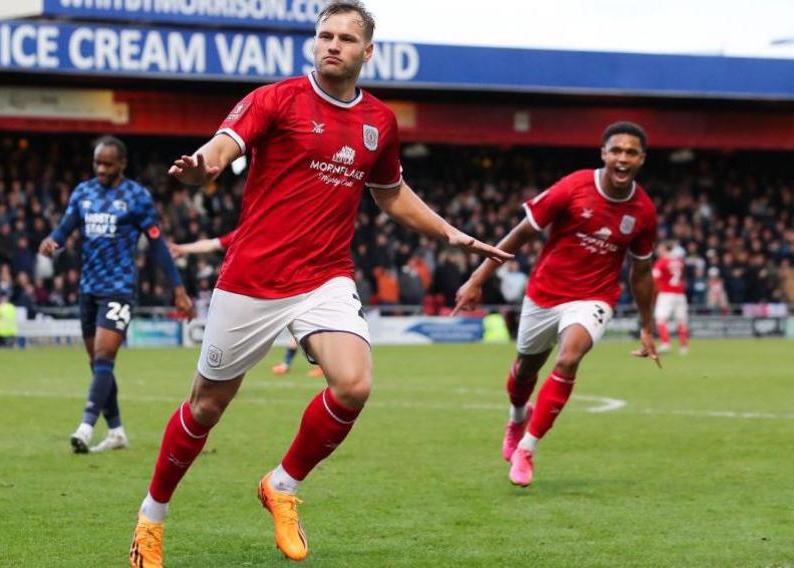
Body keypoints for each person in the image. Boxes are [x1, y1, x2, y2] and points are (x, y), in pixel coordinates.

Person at [127, 3, 511, 566]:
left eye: (345, 38)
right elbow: (222, 147)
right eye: (324, 35)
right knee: (207, 406)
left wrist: (450, 232)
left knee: (354, 385)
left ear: (367, 52)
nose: (332, 45)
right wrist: (203, 168)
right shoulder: (275, 99)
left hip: (324, 275)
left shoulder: (380, 121)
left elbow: (391, 194)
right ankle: (151, 518)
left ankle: (281, 485)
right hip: (253, 277)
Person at [455, 121, 660, 488]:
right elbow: (519, 234)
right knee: (524, 371)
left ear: (642, 159)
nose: (623, 158)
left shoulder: (643, 211)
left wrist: (647, 327)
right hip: (545, 294)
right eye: (616, 150)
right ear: (604, 154)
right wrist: (476, 279)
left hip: (594, 297)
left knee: (569, 356)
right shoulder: (574, 186)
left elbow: (641, 274)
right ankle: (517, 417)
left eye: (631, 152)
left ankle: (527, 449)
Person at [40, 136, 194, 455]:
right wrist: (53, 241)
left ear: (122, 164)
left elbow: (156, 245)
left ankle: (85, 427)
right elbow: (65, 228)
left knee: (103, 357)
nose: (101, 169)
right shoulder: (83, 193)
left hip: (119, 288)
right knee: (97, 365)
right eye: (97, 162)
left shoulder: (137, 198)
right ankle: (116, 431)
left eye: (108, 164)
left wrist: (177, 287)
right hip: (88, 288)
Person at [169, 231, 324, 378]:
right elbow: (213, 243)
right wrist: (183, 248)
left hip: (287, 292)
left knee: (303, 332)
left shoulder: (283, 233)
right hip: (261, 294)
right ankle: (295, 365)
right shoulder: (250, 232)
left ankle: (306, 365)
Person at [651, 242, 689, 354]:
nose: (658, 251)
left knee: (660, 319)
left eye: (660, 248)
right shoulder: (679, 262)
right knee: (681, 321)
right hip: (680, 294)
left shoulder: (661, 262)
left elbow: (654, 277)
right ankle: (683, 347)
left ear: (665, 249)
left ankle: (665, 343)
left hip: (667, 294)